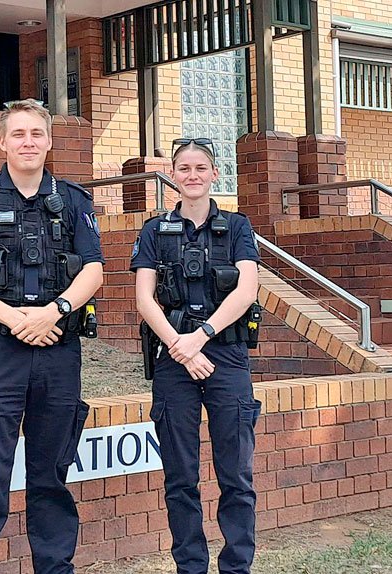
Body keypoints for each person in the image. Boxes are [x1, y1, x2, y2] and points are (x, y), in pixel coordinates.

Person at [0, 98, 104, 574]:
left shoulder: (74, 200)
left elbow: (94, 270)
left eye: (36, 134)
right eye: (18, 134)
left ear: (49, 141)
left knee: (51, 478)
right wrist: (16, 319)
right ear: (2, 143)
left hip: (58, 350)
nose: (28, 142)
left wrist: (55, 311)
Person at [131, 137, 263, 574]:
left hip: (225, 356)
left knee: (236, 477)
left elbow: (247, 289)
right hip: (174, 359)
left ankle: (236, 567)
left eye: (200, 167)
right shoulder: (153, 230)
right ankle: (190, 566)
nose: (192, 175)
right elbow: (145, 300)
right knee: (181, 478)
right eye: (183, 168)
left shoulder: (238, 226)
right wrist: (181, 347)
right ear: (173, 175)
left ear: (214, 174)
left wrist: (202, 335)